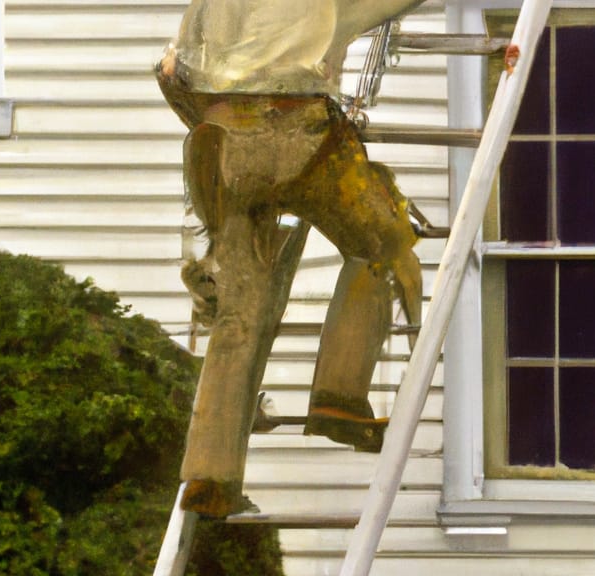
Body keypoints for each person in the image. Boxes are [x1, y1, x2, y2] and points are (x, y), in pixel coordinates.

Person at [157, 0, 430, 517]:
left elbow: (173, 72)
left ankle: (209, 478)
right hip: (297, 136)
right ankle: (339, 397)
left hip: (215, 147)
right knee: (383, 244)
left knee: (240, 311)